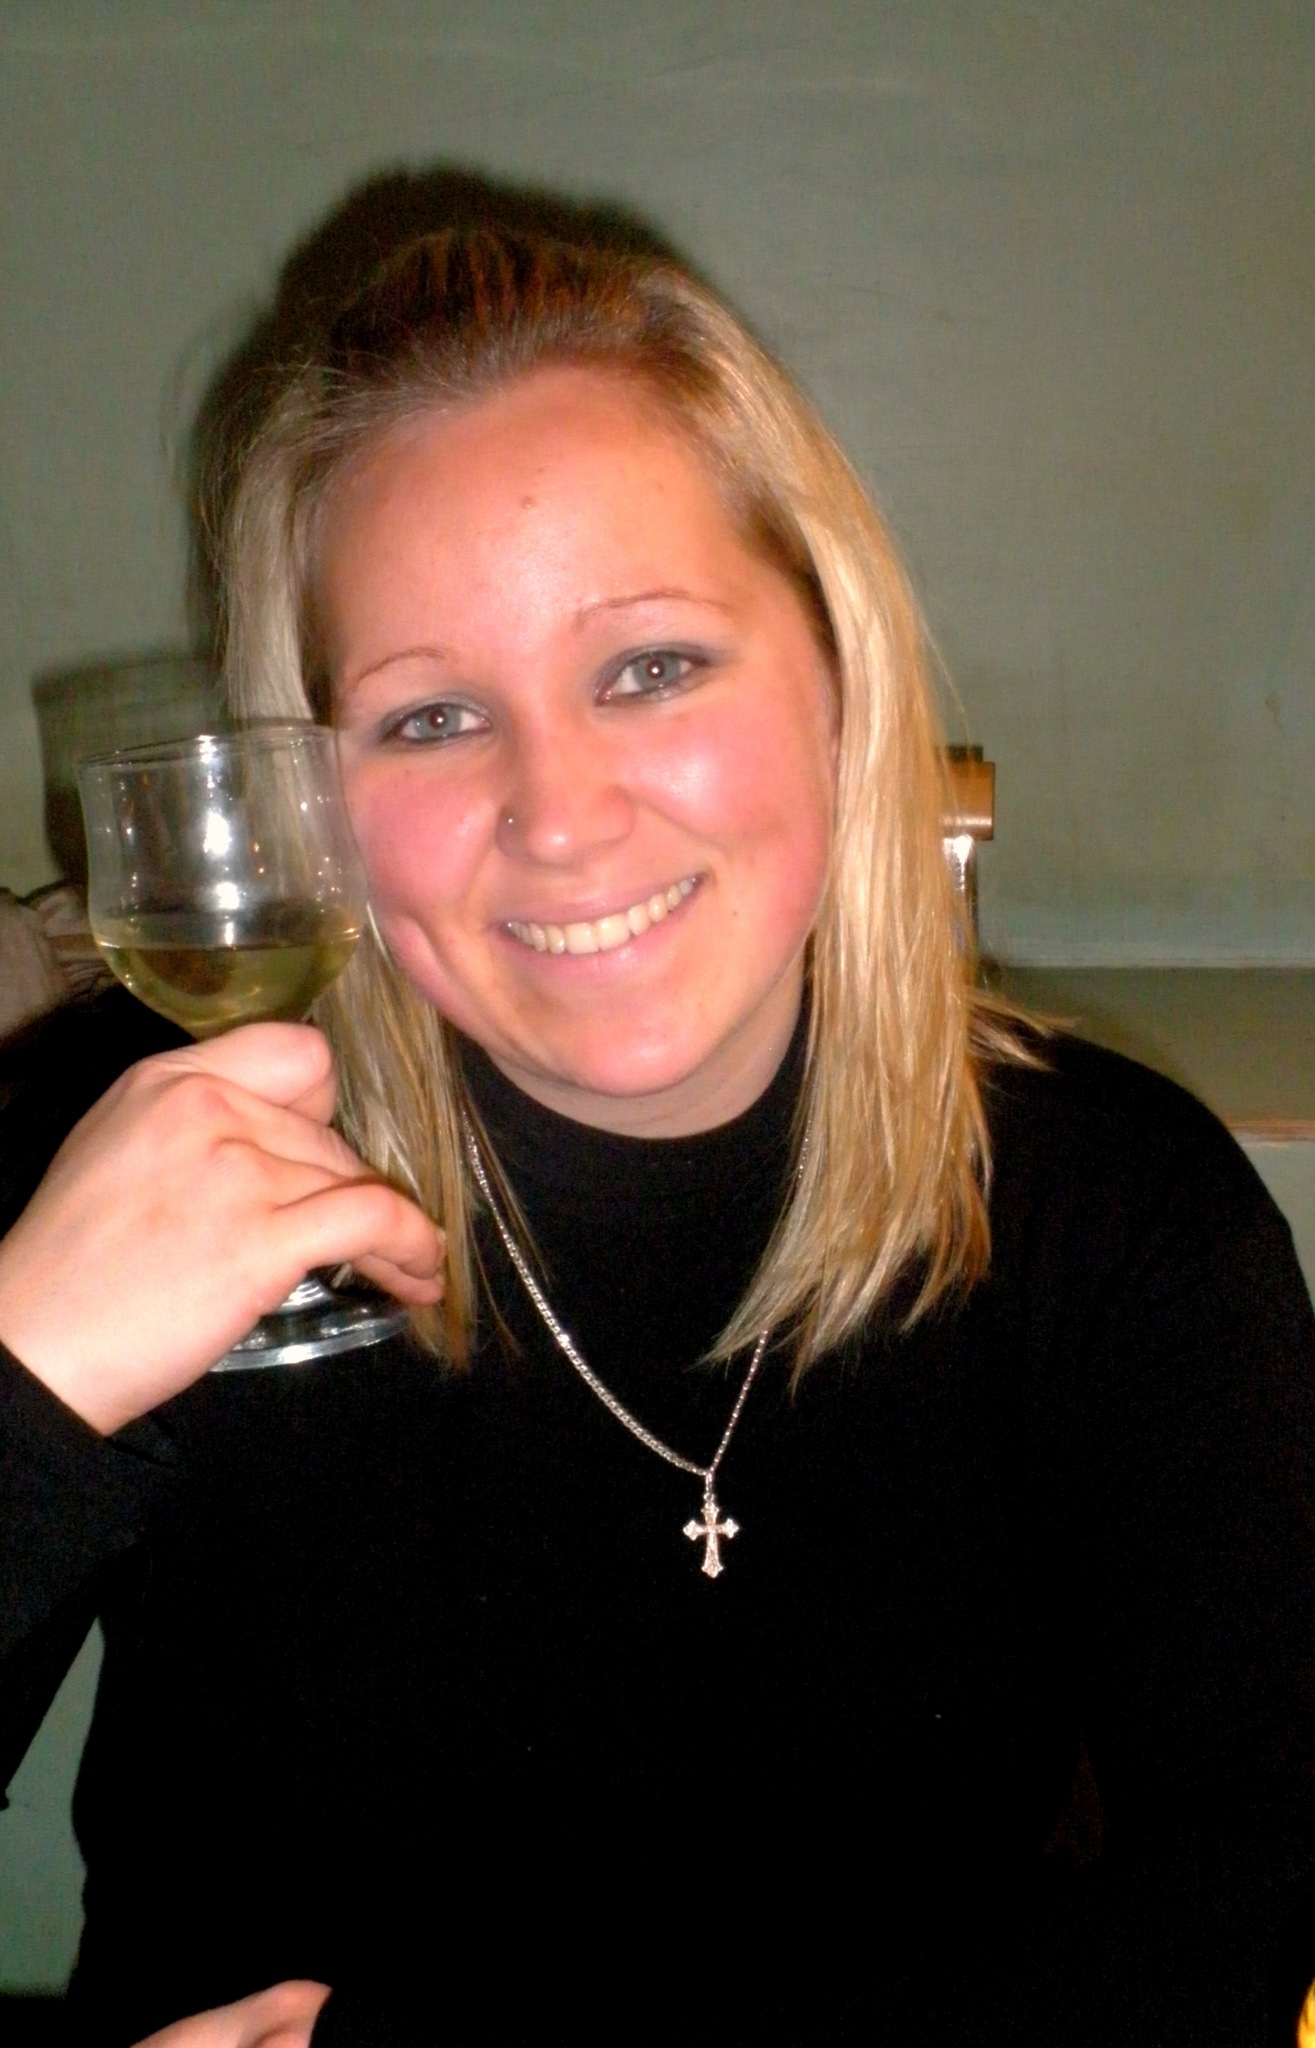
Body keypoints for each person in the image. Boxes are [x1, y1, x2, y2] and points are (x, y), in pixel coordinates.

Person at [0, 226, 1312, 2048]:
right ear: (312, 789)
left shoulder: (1121, 1218)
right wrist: (24, 1388)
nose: (559, 814)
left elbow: (1248, 1904)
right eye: (431, 716)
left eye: (650, 669)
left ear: (837, 677)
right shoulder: (123, 1169)